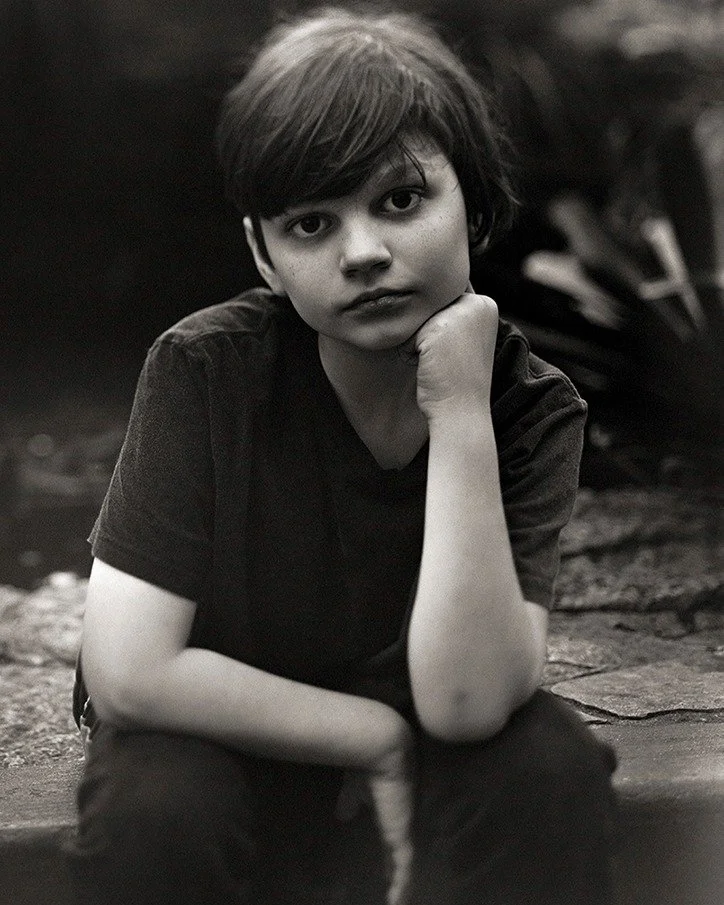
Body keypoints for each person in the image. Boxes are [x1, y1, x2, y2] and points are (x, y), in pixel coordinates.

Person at [66, 6, 618, 904]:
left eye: (400, 200)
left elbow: (470, 702)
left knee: (549, 768)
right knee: (155, 806)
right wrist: (371, 736)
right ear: (263, 252)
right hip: (217, 726)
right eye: (312, 224)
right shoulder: (204, 370)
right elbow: (128, 671)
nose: (364, 253)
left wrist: (462, 410)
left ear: (473, 204)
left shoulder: (528, 403)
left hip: (442, 720)